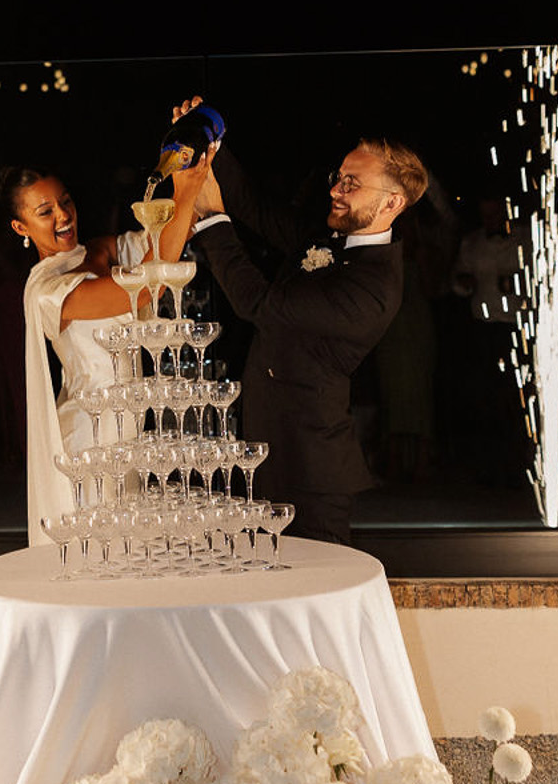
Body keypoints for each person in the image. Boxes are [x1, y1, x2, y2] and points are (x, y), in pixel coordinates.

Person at [170, 104, 428, 544]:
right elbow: (256, 209)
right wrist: (209, 144)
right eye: (338, 177)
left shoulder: (374, 287)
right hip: (269, 453)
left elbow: (260, 304)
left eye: (352, 183)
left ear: (392, 202)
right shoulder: (329, 238)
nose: (336, 190)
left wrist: (211, 219)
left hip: (311, 474)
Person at [0, 165, 206, 539]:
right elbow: (147, 287)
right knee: (96, 547)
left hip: (129, 432)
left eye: (65, 202)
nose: (63, 216)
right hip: (88, 437)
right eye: (45, 212)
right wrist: (185, 191)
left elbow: (164, 241)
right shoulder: (48, 290)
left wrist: (192, 176)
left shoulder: (101, 250)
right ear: (21, 227)